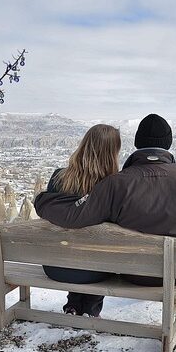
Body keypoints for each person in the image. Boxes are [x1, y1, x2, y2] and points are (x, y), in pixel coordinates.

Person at [35, 113, 176, 312]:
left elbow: (77, 217)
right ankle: (89, 309)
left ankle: (77, 307)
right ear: (168, 143)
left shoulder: (117, 184)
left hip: (125, 271)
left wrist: (44, 199)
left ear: (136, 142)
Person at [41, 123, 122, 317]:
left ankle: (74, 305)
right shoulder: (114, 186)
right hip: (95, 271)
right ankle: (91, 310)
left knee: (74, 246)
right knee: (98, 253)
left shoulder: (58, 178)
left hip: (55, 266)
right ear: (113, 153)